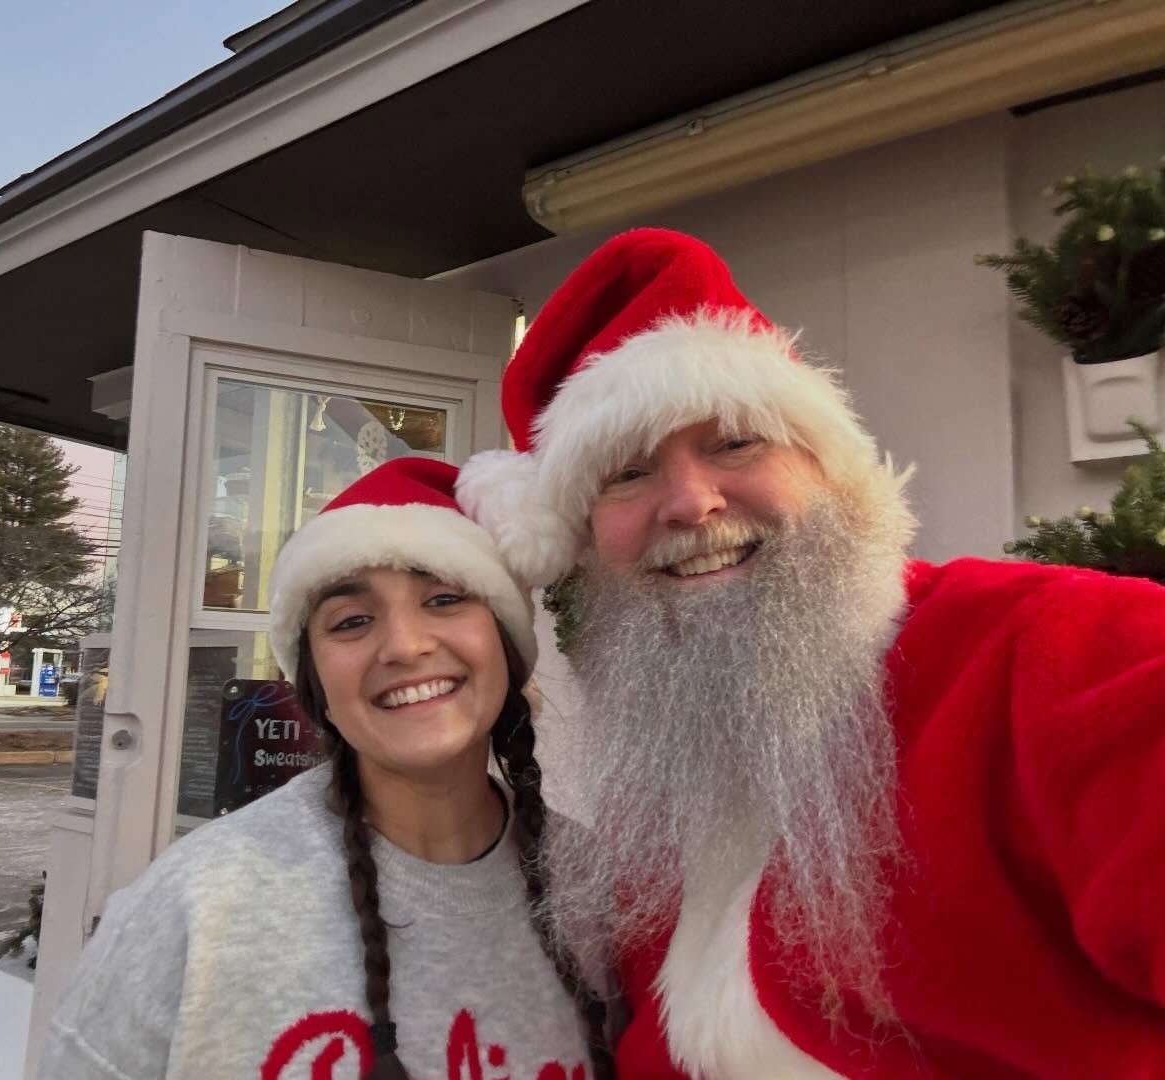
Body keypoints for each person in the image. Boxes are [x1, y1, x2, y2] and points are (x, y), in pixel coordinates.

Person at [457, 228, 1165, 1078]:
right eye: (627, 475)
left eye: (734, 442)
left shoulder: (1063, 648)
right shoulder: (665, 756)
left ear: (829, 465)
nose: (690, 502)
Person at [41, 456, 613, 1079]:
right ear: (315, 684)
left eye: (445, 598)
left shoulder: (602, 892)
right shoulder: (194, 909)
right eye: (352, 621)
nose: (405, 646)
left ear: (505, 644)